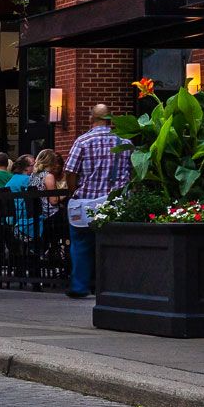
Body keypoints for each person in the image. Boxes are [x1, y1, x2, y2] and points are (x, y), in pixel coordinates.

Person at [61, 103, 132, 299]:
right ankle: (114, 284)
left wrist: (73, 190)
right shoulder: (125, 143)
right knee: (114, 244)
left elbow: (70, 171)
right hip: (116, 203)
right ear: (111, 121)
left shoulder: (82, 141)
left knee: (81, 244)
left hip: (87, 201)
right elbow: (133, 173)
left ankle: (80, 285)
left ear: (91, 119)